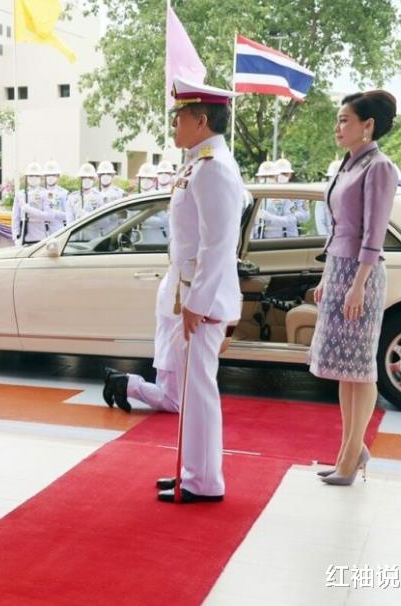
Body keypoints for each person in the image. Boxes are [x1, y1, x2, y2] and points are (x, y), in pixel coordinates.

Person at [148, 76, 243, 504]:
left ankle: (204, 480)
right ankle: (192, 472)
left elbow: (218, 246)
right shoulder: (199, 162)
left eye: (179, 118)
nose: (174, 127)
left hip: (200, 302)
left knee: (199, 389)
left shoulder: (215, 168)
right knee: (190, 388)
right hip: (188, 295)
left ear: (201, 120)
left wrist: (197, 303)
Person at [311, 91, 398, 486]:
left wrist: (357, 285)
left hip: (361, 275)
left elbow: (373, 234)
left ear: (369, 126)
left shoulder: (379, 167)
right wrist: (328, 277)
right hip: (340, 269)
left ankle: (352, 455)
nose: (338, 126)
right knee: (344, 371)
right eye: (338, 119)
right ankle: (350, 450)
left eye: (345, 120)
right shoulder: (348, 165)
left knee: (361, 370)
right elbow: (338, 229)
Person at [11, 162, 49, 245]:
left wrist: (28, 209)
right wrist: (15, 236)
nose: (33, 178)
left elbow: (47, 215)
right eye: (31, 176)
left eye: (36, 176)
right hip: (24, 235)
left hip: (40, 235)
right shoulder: (20, 194)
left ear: (40, 178)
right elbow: (15, 218)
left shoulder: (45, 194)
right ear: (27, 177)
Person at [43, 160, 69, 236]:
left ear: (57, 176)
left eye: (53, 175)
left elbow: (68, 215)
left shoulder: (64, 193)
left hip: (58, 230)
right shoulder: (40, 193)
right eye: (48, 175)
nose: (50, 178)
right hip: (42, 232)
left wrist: (55, 213)